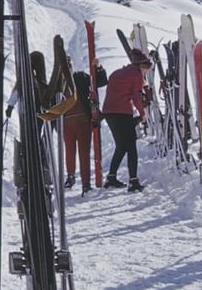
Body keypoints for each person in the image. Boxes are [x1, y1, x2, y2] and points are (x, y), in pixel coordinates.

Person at [102, 48, 151, 192]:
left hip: (109, 112)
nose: (145, 73)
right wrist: (142, 114)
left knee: (122, 145)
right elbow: (136, 96)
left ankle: (111, 177)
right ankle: (133, 182)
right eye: (145, 70)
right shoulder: (135, 75)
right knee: (131, 147)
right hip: (122, 112)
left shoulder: (117, 73)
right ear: (141, 66)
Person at [63, 58, 108, 194]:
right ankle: (71, 176)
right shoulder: (58, 83)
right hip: (67, 123)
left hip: (83, 121)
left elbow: (100, 81)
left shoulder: (81, 77)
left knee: (84, 153)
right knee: (69, 152)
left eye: (68, 66)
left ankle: (86, 183)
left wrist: (98, 68)